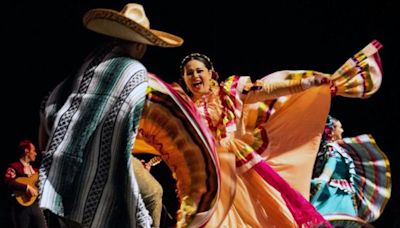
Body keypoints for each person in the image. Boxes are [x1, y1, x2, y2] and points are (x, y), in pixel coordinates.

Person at [37, 3, 183, 228]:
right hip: (105, 159)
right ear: (139, 44)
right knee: (150, 195)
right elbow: (126, 129)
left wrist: (51, 148)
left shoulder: (90, 63)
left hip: (67, 160)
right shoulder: (133, 71)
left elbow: (49, 104)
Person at [177, 53, 331, 227]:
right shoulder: (186, 111)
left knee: (267, 216)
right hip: (213, 175)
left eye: (199, 71)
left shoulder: (230, 91)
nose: (195, 76)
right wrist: (152, 161)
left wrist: (305, 83)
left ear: (211, 73)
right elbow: (176, 144)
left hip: (242, 166)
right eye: (189, 73)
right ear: (183, 79)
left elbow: (268, 91)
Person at [311, 116, 391, 227]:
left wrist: (323, 178)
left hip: (335, 193)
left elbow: (331, 165)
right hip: (337, 194)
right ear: (332, 131)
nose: (342, 130)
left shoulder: (334, 149)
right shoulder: (331, 148)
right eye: (340, 127)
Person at [4, 139, 47, 228]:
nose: (35, 153)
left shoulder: (35, 171)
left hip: (35, 205)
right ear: (26, 151)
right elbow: (8, 182)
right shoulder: (14, 167)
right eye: (33, 151)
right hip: (20, 207)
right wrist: (26, 187)